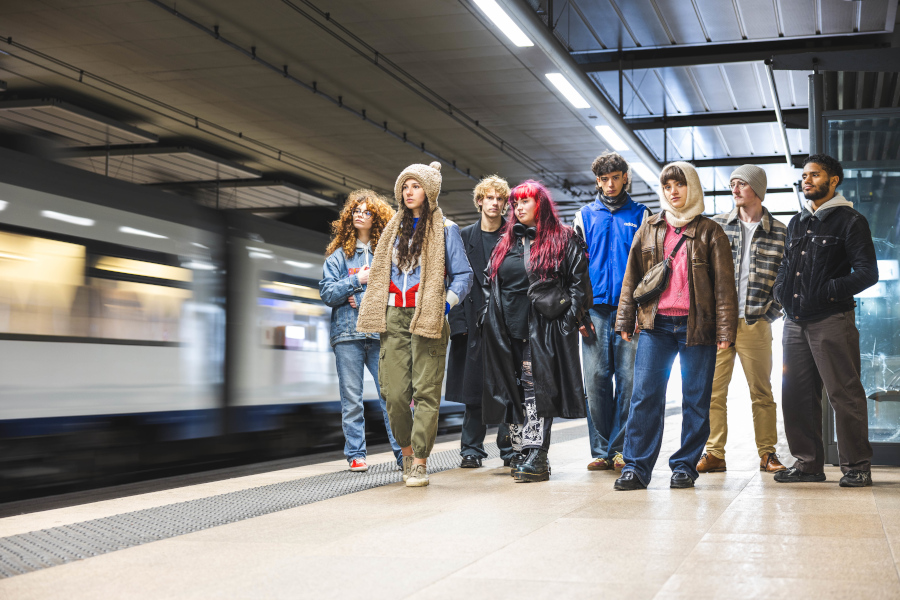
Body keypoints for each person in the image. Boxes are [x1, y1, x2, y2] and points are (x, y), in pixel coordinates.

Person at [614, 161, 738, 491]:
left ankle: (684, 466)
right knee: (644, 397)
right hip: (656, 326)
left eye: (679, 185)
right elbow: (632, 278)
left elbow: (725, 287)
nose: (673, 191)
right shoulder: (649, 228)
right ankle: (635, 467)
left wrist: (725, 332)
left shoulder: (711, 231)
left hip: (697, 327)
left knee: (696, 399)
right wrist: (625, 318)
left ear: (692, 188)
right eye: (667, 186)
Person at [356, 161, 473, 488]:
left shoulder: (446, 228)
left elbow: (464, 276)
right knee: (393, 394)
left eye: (416, 186)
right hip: (393, 318)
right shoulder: (391, 229)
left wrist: (445, 304)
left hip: (429, 318)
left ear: (429, 190)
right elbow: (381, 275)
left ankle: (420, 461)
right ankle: (406, 451)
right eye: (405, 186)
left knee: (425, 392)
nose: (409, 192)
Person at [773, 154, 878, 487]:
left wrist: (828, 290)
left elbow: (867, 273)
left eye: (814, 175)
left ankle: (857, 466)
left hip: (832, 319)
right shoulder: (797, 222)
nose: (806, 180)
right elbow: (786, 266)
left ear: (833, 180)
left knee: (843, 394)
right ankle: (808, 464)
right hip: (794, 321)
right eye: (804, 175)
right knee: (796, 394)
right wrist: (780, 290)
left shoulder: (850, 221)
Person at [481, 180, 592, 483]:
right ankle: (521, 451)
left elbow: (580, 287)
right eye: (515, 202)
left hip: (542, 330)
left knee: (535, 392)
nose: (518, 207)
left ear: (540, 204)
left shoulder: (563, 238)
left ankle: (537, 455)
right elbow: (490, 283)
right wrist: (488, 319)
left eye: (525, 201)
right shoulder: (507, 242)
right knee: (515, 390)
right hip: (506, 330)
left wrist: (565, 324)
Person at [697, 165, 789, 474]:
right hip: (720, 323)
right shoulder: (717, 226)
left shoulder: (780, 232)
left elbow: (785, 281)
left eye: (742, 184)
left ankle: (767, 453)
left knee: (761, 392)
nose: (735, 189)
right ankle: (714, 453)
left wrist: (768, 315)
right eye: (732, 183)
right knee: (712, 391)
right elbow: (704, 275)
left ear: (758, 189)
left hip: (755, 323)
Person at [574, 152, 650, 472]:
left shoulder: (642, 215)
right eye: (603, 179)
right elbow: (575, 268)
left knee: (629, 381)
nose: (609, 184)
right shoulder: (584, 216)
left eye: (615, 177)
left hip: (628, 311)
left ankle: (620, 450)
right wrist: (578, 312)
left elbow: (649, 267)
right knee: (595, 380)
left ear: (625, 177)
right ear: (597, 182)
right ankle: (600, 450)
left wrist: (641, 309)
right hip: (594, 310)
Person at [319, 190, 401, 472]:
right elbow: (328, 293)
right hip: (347, 336)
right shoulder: (338, 258)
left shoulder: (387, 254)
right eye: (355, 211)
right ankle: (356, 455)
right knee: (351, 400)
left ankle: (403, 452)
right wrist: (356, 281)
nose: (359, 215)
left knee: (391, 396)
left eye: (366, 211)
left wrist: (362, 294)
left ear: (376, 218)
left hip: (381, 333)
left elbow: (397, 290)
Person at [447, 175, 517, 469]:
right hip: (473, 324)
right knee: (473, 392)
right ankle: (471, 450)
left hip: (506, 323)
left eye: (500, 199)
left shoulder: (514, 236)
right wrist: (459, 325)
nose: (495, 203)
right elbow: (452, 280)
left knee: (509, 389)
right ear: (479, 201)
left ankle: (510, 450)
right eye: (489, 198)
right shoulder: (463, 238)